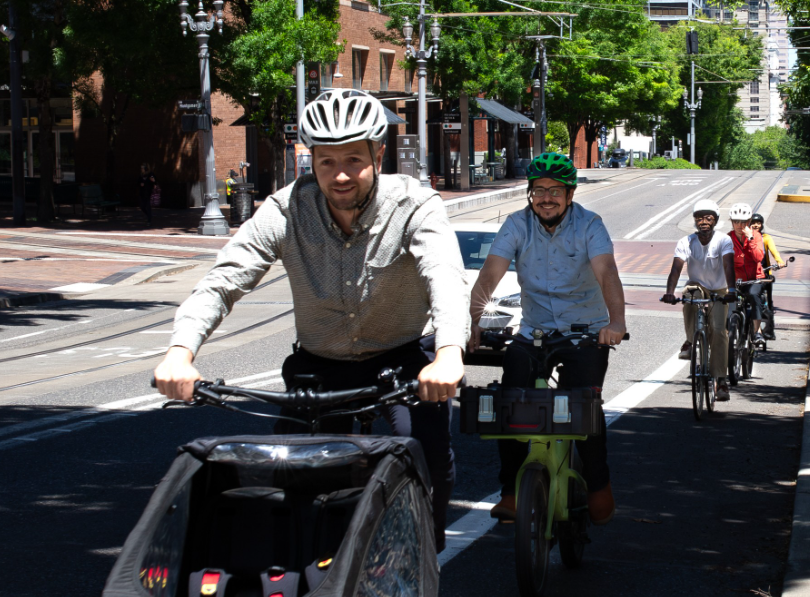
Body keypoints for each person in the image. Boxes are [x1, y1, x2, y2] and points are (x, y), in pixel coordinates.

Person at [153, 89, 467, 551]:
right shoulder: (285, 210)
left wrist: (448, 354)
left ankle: (422, 555)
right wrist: (180, 352)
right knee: (293, 477)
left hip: (402, 360)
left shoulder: (414, 205)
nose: (340, 175)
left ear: (378, 155)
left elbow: (444, 275)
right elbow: (224, 279)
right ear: (311, 159)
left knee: (426, 455)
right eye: (326, 162)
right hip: (320, 366)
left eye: (354, 160)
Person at [467, 152, 626, 525]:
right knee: (509, 404)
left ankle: (599, 485)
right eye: (538, 190)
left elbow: (607, 273)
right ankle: (511, 491)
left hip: (585, 332)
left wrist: (615, 322)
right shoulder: (516, 224)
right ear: (530, 194)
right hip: (534, 330)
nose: (546, 198)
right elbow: (490, 275)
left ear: (570, 194)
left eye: (555, 190)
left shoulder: (589, 224)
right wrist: (475, 321)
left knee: (583, 409)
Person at [661, 199, 737, 401]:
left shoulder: (723, 240)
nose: (703, 221)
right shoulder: (686, 242)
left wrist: (732, 290)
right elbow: (676, 268)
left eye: (708, 217)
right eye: (699, 218)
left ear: (716, 220)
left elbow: (729, 265)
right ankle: (689, 340)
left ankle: (721, 380)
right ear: (694, 221)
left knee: (719, 332)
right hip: (698, 286)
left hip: (720, 290)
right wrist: (669, 292)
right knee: (689, 293)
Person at [724, 203, 768, 344]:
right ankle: (724, 333)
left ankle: (757, 331)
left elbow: (758, 258)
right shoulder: (727, 238)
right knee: (722, 298)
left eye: (743, 222)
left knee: (755, 296)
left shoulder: (756, 236)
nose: (739, 225)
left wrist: (750, 240)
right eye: (736, 221)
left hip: (753, 279)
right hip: (735, 280)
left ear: (749, 222)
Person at [749, 212, 781, 340]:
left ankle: (769, 331)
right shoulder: (746, 237)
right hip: (749, 274)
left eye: (758, 223)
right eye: (753, 223)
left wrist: (779, 261)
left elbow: (774, 251)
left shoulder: (766, 238)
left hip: (764, 274)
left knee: (767, 303)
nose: (756, 225)